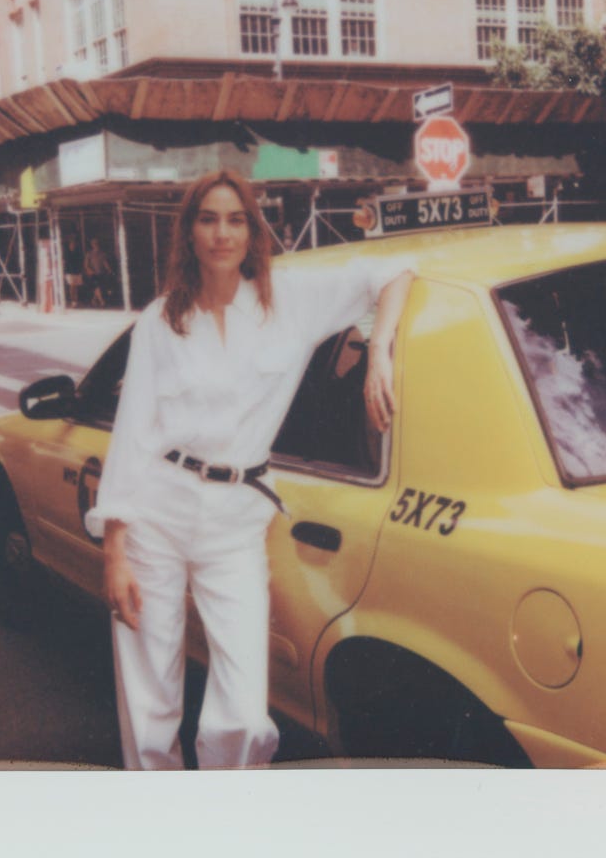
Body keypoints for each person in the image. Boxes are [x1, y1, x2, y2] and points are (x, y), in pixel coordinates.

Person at [85, 169, 415, 770]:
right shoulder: (162, 320)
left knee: (241, 711)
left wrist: (381, 353)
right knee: (148, 695)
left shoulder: (288, 301)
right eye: (208, 219)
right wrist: (114, 550)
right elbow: (132, 434)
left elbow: (392, 271)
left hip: (235, 518)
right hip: (157, 507)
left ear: (253, 230)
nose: (222, 233)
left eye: (235, 219)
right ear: (188, 232)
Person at [84, 237, 116, 307]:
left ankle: (93, 300)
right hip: (92, 273)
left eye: (97, 243)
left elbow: (105, 263)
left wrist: (109, 270)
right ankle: (102, 301)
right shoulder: (89, 254)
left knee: (99, 287)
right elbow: (86, 265)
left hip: (101, 273)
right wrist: (90, 271)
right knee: (97, 286)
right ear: (92, 244)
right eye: (94, 243)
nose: (95, 244)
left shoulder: (102, 253)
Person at [64, 233, 84, 308]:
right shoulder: (67, 253)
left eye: (74, 244)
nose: (73, 246)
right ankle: (73, 301)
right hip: (70, 272)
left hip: (77, 271)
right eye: (71, 244)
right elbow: (65, 263)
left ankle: (76, 300)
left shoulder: (77, 252)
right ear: (69, 245)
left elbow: (80, 261)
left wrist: (80, 270)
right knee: (72, 287)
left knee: (76, 287)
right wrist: (65, 272)